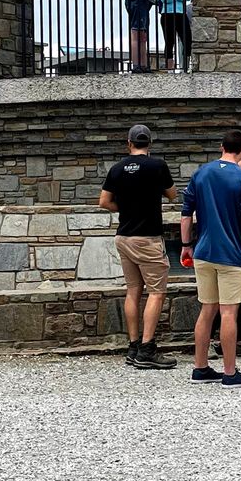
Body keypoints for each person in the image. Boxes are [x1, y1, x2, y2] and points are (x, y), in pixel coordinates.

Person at [181, 129, 241, 387]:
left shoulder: (201, 174)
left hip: (203, 252)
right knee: (229, 312)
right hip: (231, 254)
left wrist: (186, 245)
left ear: (221, 146)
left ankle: (201, 368)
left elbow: (186, 214)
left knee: (207, 310)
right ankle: (230, 372)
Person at [99, 123, 177, 370]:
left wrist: (126, 208)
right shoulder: (157, 166)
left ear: (129, 143)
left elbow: (104, 202)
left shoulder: (117, 168)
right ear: (149, 144)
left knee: (133, 290)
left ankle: (133, 346)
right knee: (156, 292)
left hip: (124, 237)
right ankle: (147, 348)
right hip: (148, 238)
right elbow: (172, 194)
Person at [158, 0, 192, 72]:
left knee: (187, 39)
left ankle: (185, 68)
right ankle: (170, 69)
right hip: (167, 14)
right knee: (169, 41)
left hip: (181, 13)